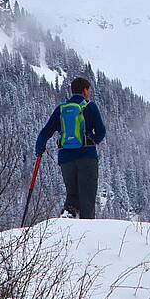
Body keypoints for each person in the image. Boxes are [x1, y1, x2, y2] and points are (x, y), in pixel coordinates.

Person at [35, 76, 106, 218]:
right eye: (89, 90)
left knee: (72, 196)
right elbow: (101, 132)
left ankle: (68, 219)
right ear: (85, 90)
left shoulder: (61, 109)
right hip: (87, 158)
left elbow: (45, 132)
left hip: (66, 160)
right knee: (87, 199)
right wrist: (91, 140)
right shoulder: (90, 106)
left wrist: (39, 150)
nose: (89, 93)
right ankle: (89, 233)